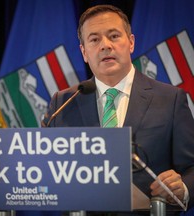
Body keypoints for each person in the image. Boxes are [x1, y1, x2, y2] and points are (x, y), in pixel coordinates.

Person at [41, 4, 194, 215]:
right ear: (84, 52)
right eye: (94, 39)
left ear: (131, 42)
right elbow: (44, 167)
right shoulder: (64, 103)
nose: (105, 45)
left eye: (114, 36)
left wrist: (182, 188)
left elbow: (191, 167)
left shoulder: (170, 99)